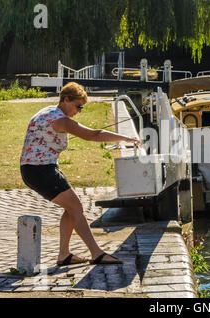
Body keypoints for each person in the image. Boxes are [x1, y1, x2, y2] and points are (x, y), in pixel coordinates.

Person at [20, 82, 140, 266]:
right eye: (78, 106)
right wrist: (125, 138)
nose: (79, 111)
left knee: (72, 208)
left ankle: (64, 255)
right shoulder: (61, 120)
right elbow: (93, 135)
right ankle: (96, 253)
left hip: (36, 168)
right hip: (40, 170)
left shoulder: (48, 111)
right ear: (66, 99)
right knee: (76, 207)